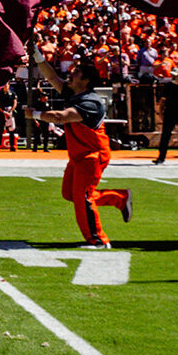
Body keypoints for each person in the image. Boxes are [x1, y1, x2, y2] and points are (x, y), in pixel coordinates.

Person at [32, 49, 132, 248]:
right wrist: (36, 55)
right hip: (79, 154)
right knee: (70, 194)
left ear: (85, 81)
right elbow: (51, 75)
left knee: (83, 197)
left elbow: (61, 117)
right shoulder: (75, 93)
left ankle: (98, 240)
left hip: (92, 154)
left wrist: (34, 113)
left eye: (76, 72)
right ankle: (120, 198)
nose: (71, 73)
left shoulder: (90, 102)